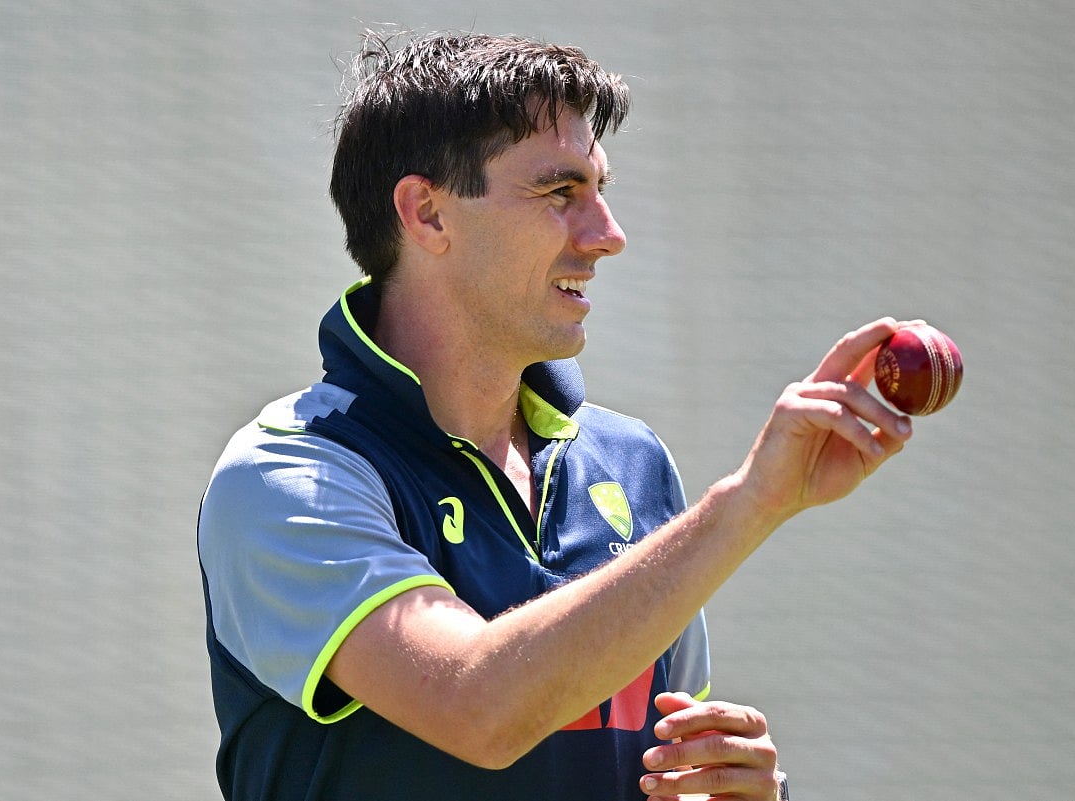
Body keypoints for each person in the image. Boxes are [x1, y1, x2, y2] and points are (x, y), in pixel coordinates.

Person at [197, 30, 913, 801]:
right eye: (559, 192)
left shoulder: (631, 462)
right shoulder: (289, 474)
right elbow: (478, 708)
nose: (608, 235)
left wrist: (724, 789)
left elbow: (655, 765)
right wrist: (751, 500)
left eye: (602, 190)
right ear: (427, 213)